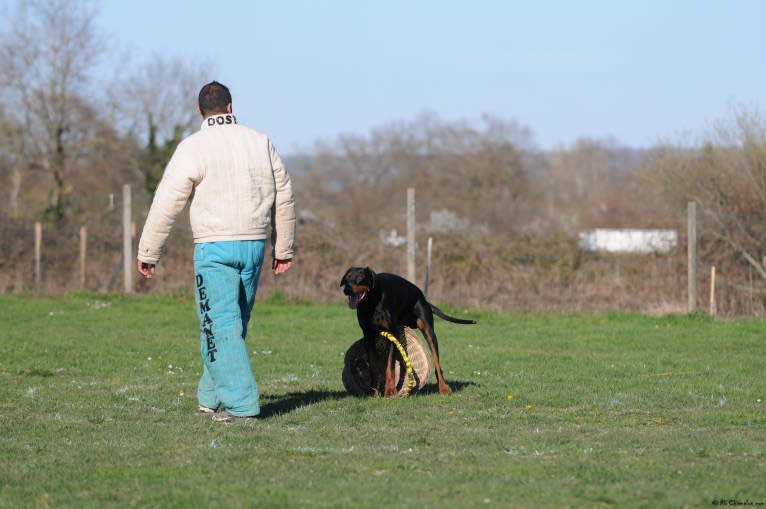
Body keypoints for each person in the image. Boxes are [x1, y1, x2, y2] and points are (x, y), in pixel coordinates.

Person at [136, 81, 295, 422]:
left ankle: (241, 406)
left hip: (214, 247)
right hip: (254, 245)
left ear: (199, 112)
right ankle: (210, 396)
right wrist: (283, 248)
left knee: (218, 325)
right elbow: (284, 196)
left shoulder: (194, 147)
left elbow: (167, 201)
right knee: (230, 327)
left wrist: (149, 250)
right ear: (230, 106)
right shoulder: (260, 142)